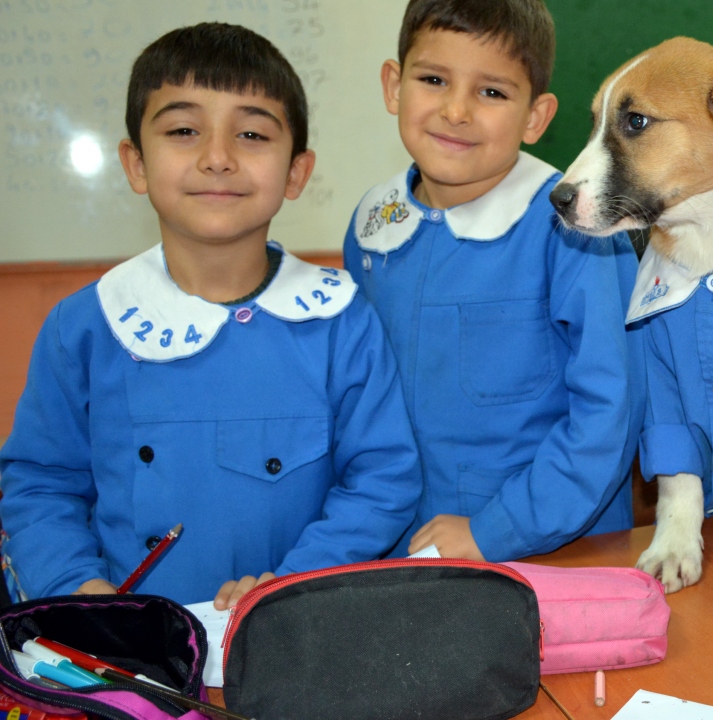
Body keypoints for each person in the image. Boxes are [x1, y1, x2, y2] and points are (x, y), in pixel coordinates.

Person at [0, 23, 422, 609]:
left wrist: (290, 584)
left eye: (251, 133)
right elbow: (40, 487)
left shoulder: (341, 320)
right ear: (136, 163)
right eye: (182, 130)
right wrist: (84, 595)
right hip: (127, 648)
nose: (217, 158)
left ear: (296, 172)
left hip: (289, 636)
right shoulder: (85, 327)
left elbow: (382, 481)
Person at [343, 0, 643, 562]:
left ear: (536, 115)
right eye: (433, 79)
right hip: (395, 548)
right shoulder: (372, 223)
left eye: (492, 92)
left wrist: (496, 530)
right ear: (393, 85)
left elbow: (610, 413)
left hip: (547, 551)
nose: (456, 111)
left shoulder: (575, 228)